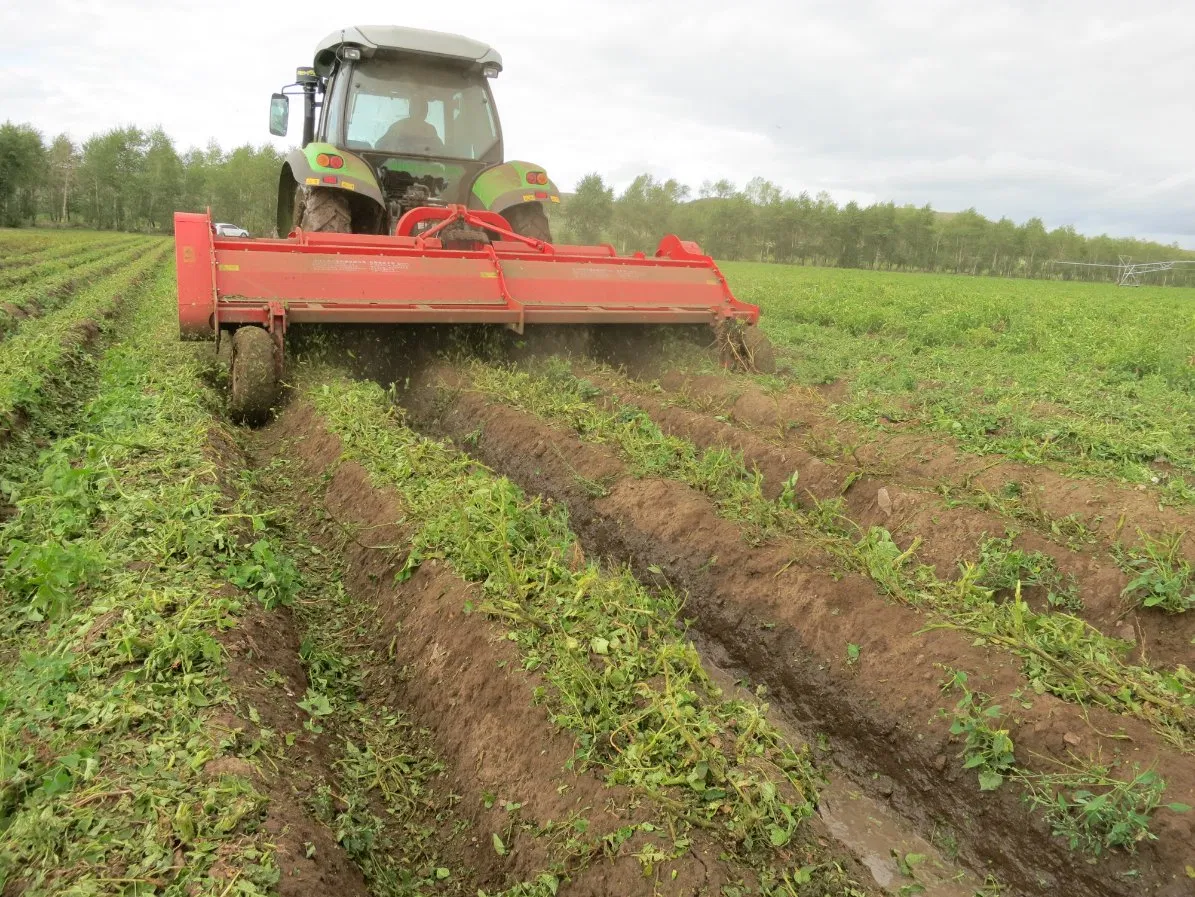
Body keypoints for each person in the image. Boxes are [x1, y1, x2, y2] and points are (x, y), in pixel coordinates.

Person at [379, 95, 443, 153]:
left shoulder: (430, 130)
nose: (422, 111)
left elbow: (440, 150)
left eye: (424, 108)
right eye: (418, 108)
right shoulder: (397, 127)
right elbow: (380, 146)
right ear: (410, 110)